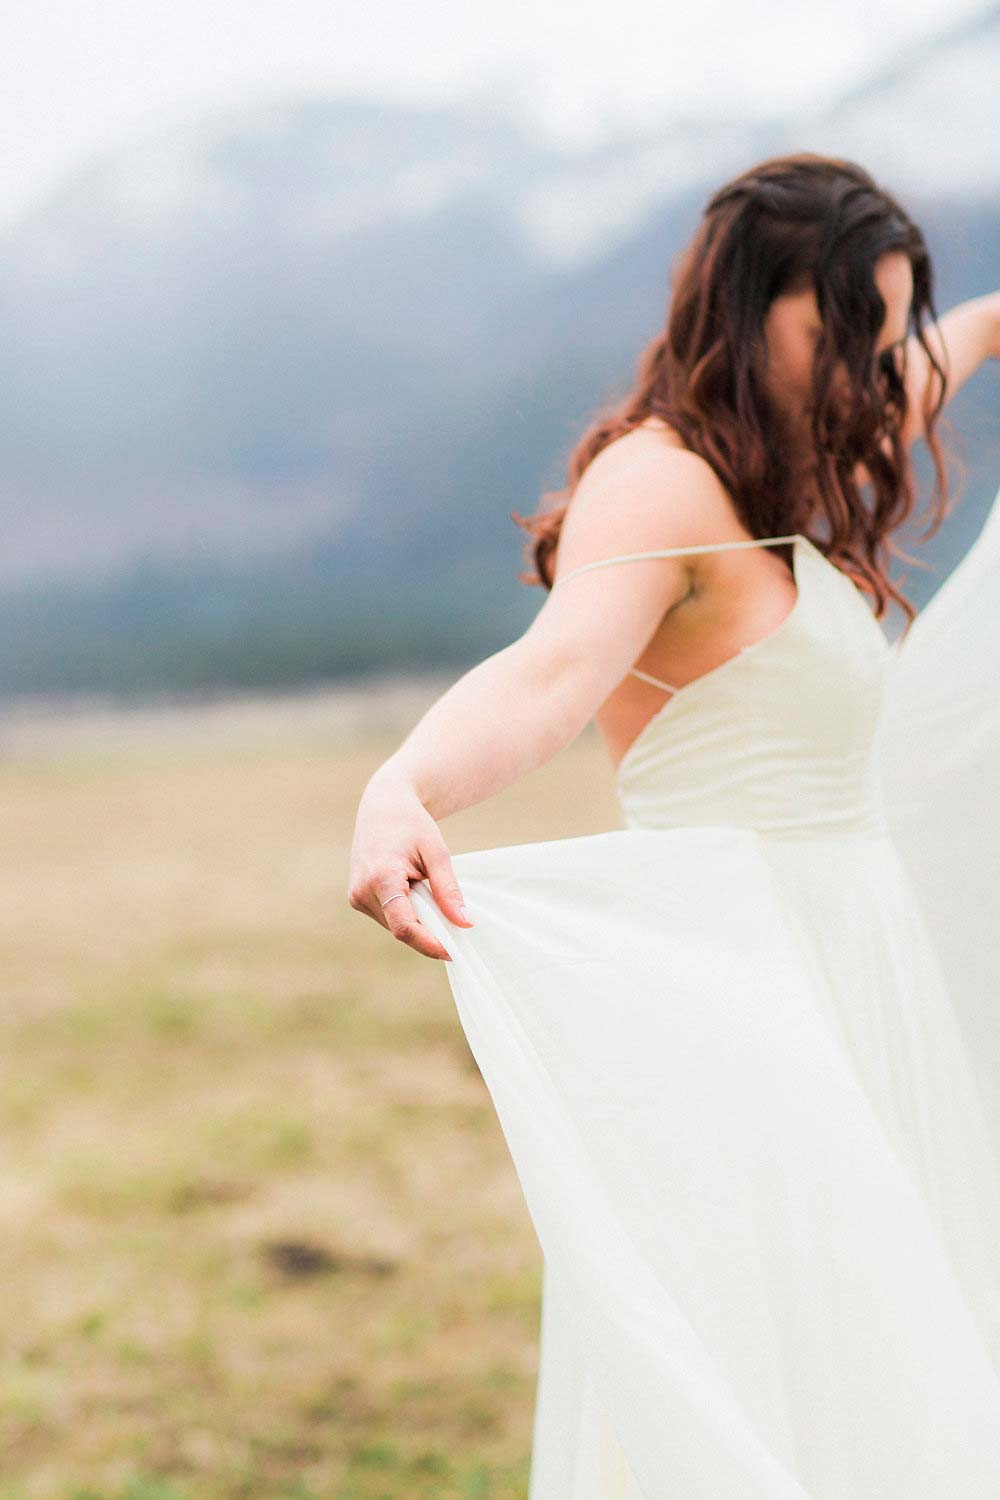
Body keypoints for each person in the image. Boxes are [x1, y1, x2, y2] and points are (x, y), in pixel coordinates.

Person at [348, 152, 1000, 1496]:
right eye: (840, 334)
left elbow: (912, 378)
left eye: (886, 338)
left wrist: (987, 324)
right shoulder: (662, 483)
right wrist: (402, 784)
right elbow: (549, 673)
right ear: (751, 304)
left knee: (887, 1355)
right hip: (753, 993)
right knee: (785, 1355)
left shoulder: (781, 473)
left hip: (857, 981)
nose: (872, 376)